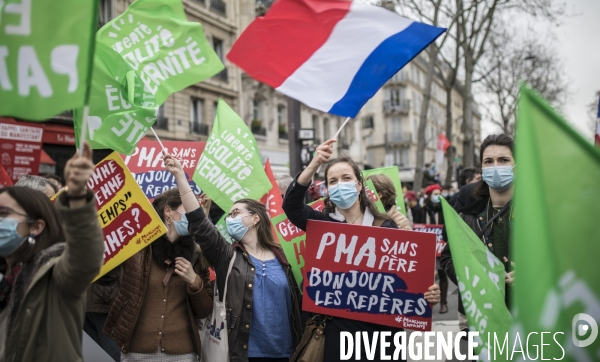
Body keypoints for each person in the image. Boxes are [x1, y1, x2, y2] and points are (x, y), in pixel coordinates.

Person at [282, 139, 441, 362]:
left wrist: (427, 294)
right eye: (333, 181)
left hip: (383, 336)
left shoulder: (385, 225)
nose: (340, 184)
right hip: (339, 335)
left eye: (346, 178)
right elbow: (290, 205)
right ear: (328, 190)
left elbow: (405, 280)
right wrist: (314, 164)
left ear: (359, 185)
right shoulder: (321, 224)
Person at [165, 155, 303, 362]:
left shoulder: (285, 258)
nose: (230, 219)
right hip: (243, 355)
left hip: (286, 354)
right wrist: (180, 177)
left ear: (255, 218)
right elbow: (199, 222)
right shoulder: (227, 256)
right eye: (229, 215)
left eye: (236, 213)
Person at [104, 153, 214, 361]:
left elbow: (204, 311)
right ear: (168, 213)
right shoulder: (138, 248)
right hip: (137, 351)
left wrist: (195, 282)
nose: (192, 217)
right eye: (187, 212)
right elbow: (111, 285)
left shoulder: (197, 253)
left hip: (182, 353)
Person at [0, 143, 104, 361]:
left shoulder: (56, 272)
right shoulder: (7, 274)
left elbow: (86, 257)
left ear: (36, 226)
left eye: (4, 213)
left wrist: (76, 197)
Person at [441, 134, 516, 360]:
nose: (495, 166)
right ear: (481, 169)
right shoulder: (468, 212)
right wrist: (474, 277)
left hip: (524, 318)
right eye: (488, 161)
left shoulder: (538, 210)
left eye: (503, 160)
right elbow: (448, 259)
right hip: (479, 319)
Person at [419, 184, 448, 314]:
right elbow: (418, 226)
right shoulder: (423, 210)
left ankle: (443, 302)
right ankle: (426, 303)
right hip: (427, 248)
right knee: (425, 277)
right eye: (435, 194)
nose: (438, 196)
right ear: (430, 196)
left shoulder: (446, 209)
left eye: (439, 194)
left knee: (443, 275)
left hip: (441, 248)